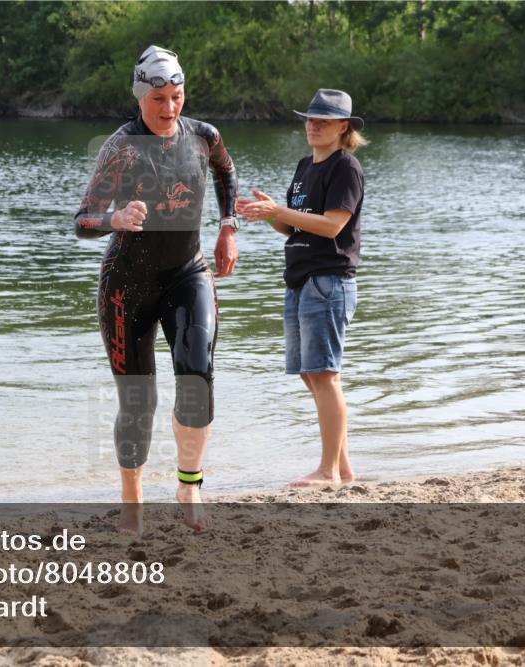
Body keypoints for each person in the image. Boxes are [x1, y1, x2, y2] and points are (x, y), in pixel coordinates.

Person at [74, 45, 240, 532]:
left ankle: (189, 485)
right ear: (140, 97)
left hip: (188, 274)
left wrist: (228, 225)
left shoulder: (204, 136)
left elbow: (227, 173)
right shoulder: (121, 147)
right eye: (158, 99)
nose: (169, 108)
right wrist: (115, 218)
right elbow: (83, 221)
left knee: (196, 377)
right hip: (127, 287)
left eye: (177, 97)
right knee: (138, 401)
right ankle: (132, 499)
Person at [237, 88, 367, 488]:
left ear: (343, 127)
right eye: (310, 119)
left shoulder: (345, 167)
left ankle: (327, 471)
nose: (313, 126)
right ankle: (343, 470)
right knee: (311, 375)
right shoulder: (305, 165)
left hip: (329, 279)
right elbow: (294, 225)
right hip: (299, 279)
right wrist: (270, 214)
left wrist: (280, 210)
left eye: (323, 121)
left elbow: (332, 226)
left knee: (323, 374)